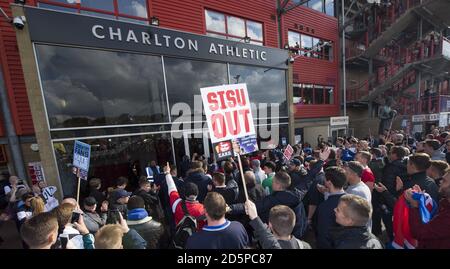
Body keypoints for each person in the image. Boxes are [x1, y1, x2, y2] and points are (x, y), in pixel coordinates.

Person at [229, 172, 305, 237]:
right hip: (296, 231)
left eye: (273, 181)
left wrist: (231, 208)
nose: (272, 183)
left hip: (280, 234)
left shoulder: (274, 199)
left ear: (278, 185)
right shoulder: (296, 194)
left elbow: (254, 207)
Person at [405, 170, 450, 248]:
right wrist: (421, 198)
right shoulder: (445, 203)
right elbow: (433, 224)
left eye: (444, 181)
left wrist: (414, 205)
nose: (440, 182)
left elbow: (418, 232)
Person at [246, 202, 311, 249]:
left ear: (270, 225)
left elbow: (271, 244)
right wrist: (255, 218)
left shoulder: (272, 245)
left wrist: (255, 217)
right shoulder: (305, 246)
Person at [163, 164, 206, 229]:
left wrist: (167, 173)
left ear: (184, 194)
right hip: (198, 237)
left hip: (182, 237)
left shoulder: (176, 203)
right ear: (197, 194)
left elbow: (171, 187)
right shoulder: (203, 209)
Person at [316, 167, 348, 249]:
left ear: (329, 182)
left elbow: (324, 236)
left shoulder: (325, 207)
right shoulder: (351, 200)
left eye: (325, 179)